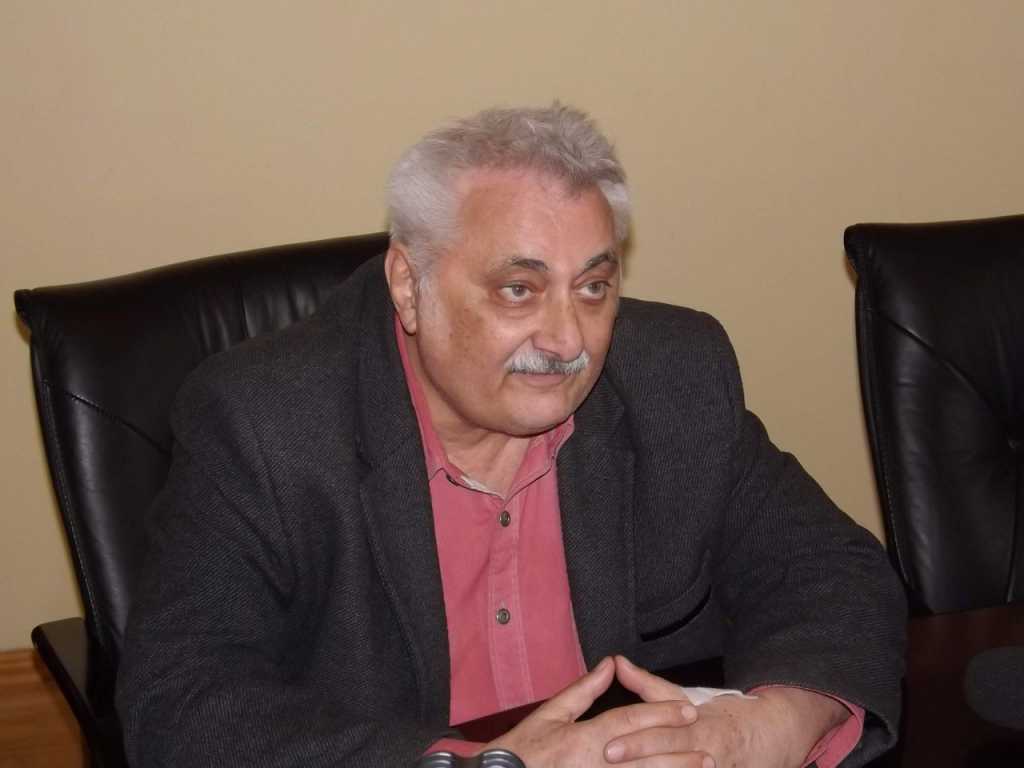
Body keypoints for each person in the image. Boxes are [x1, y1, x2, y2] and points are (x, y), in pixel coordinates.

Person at [116, 104, 906, 768]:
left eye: (593, 287)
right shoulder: (264, 423)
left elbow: (829, 567)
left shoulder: (674, 374)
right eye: (518, 289)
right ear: (409, 286)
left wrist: (769, 728)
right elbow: (182, 700)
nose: (567, 339)